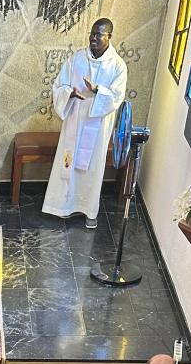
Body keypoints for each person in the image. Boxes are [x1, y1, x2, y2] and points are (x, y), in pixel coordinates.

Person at [42, 18, 128, 228]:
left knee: (92, 169)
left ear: (109, 36)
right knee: (68, 163)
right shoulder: (77, 59)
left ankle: (89, 211)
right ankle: (63, 207)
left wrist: (97, 90)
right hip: (75, 120)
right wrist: (69, 93)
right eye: (92, 33)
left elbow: (117, 96)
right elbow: (59, 85)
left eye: (99, 34)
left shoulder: (117, 65)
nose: (93, 38)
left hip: (98, 126)